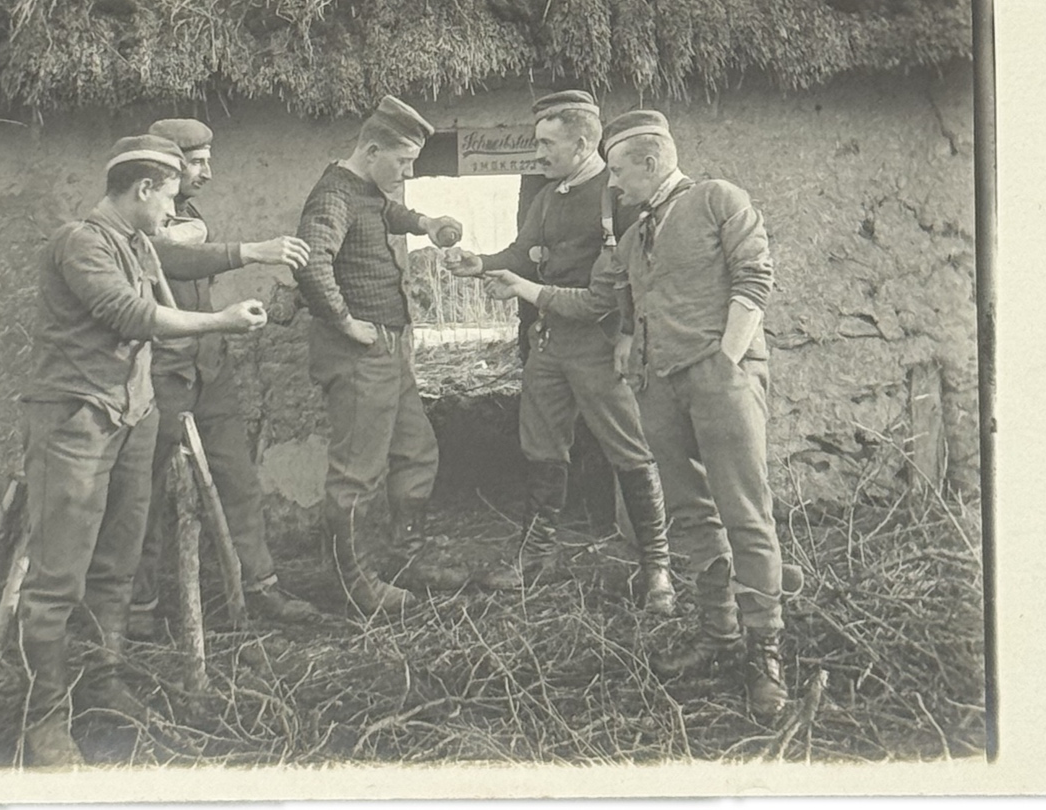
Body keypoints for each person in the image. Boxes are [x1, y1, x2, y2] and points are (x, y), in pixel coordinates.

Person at [484, 110, 791, 716]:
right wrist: (519, 287)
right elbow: (594, 301)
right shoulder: (628, 238)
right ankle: (719, 635)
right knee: (691, 515)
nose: (615, 187)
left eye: (620, 173)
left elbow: (755, 278)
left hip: (718, 380)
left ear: (650, 163)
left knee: (745, 516)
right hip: (658, 389)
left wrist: (726, 363)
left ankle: (764, 653)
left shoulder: (717, 200)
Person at [16, 135, 268, 766]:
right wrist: (220, 321)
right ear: (144, 189)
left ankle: (104, 682)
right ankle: (44, 721)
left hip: (134, 414)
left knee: (117, 564)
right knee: (57, 576)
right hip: (77, 419)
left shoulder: (137, 244)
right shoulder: (82, 242)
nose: (171, 213)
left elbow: (170, 291)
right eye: (169, 199)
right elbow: (130, 315)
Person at [447, 91, 674, 614]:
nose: (539, 153)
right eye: (536, 143)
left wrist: (627, 338)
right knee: (542, 447)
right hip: (550, 343)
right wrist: (477, 263)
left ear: (580, 142)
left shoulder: (615, 193)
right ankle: (536, 559)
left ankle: (656, 567)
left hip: (600, 344)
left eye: (548, 143)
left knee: (630, 451)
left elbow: (642, 275)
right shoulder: (549, 196)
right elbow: (522, 254)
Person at [127, 118, 319, 639]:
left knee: (237, 479)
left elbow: (189, 247)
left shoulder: (186, 214)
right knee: (140, 493)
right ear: (163, 166)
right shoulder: (136, 220)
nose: (208, 172)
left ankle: (260, 584)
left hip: (208, 369)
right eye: (197, 162)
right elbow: (168, 256)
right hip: (159, 374)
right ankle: (137, 607)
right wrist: (251, 250)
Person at [296, 96, 466, 613]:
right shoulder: (332, 196)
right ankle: (354, 581)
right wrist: (346, 322)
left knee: (416, 451)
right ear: (372, 150)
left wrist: (425, 223)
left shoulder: (365, 190)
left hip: (388, 349)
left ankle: (405, 557)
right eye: (404, 162)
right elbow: (310, 263)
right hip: (358, 353)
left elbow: (385, 211)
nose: (408, 171)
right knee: (357, 472)